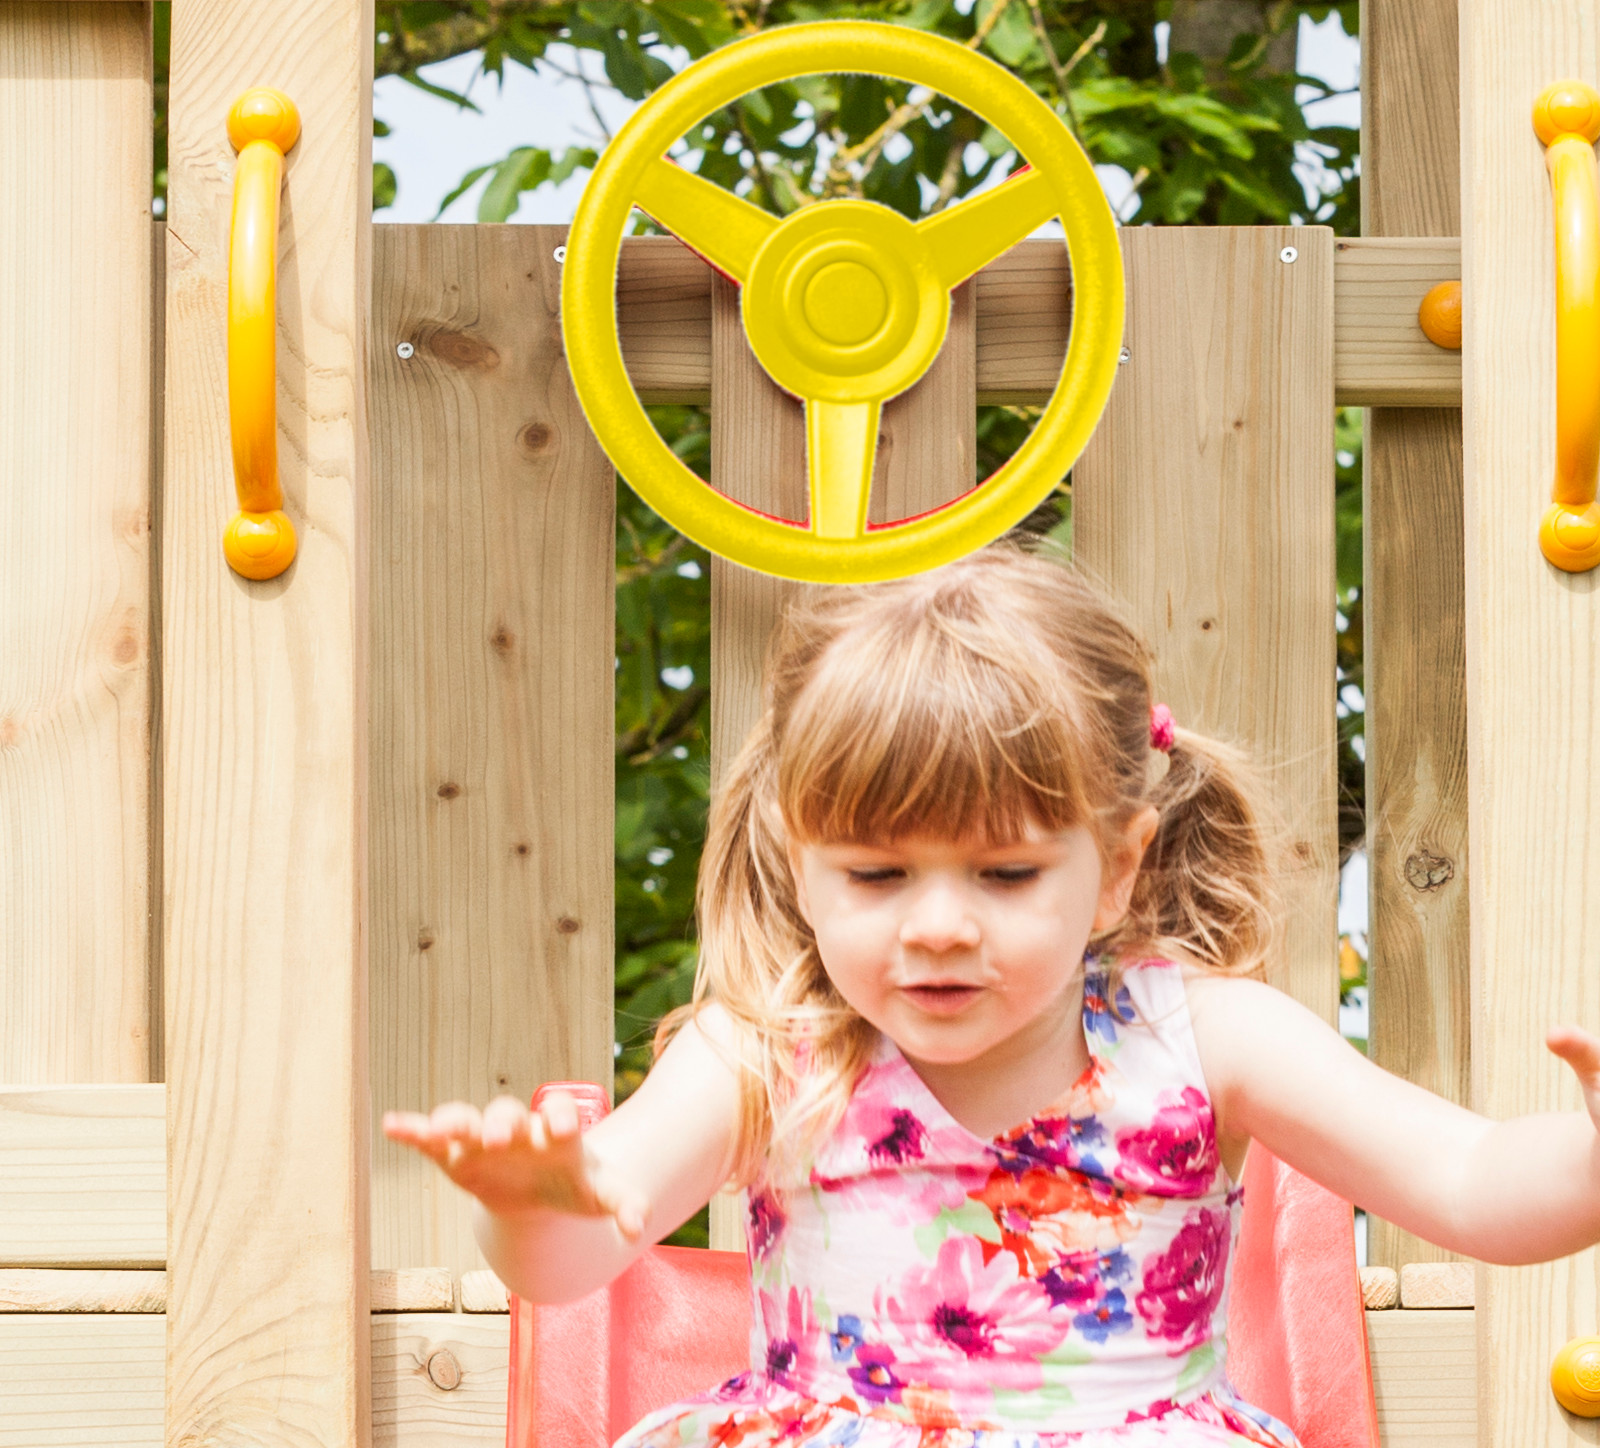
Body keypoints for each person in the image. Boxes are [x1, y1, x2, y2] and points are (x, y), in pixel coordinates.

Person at [385, 545, 1600, 1444]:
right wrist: (535, 1202)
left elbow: (1474, 1184)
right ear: (801, 861)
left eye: (1007, 871)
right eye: (874, 873)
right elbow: (577, 1251)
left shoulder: (1208, 1041)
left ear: (1117, 865)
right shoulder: (763, 1053)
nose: (940, 924)